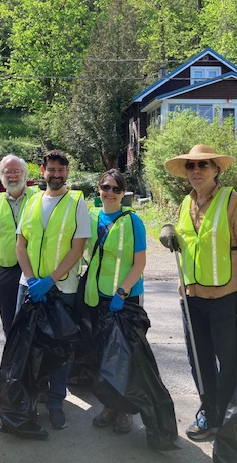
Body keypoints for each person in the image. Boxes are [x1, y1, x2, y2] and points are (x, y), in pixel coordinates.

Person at [159, 144, 237, 441]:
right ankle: (208, 411)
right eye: (191, 166)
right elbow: (184, 236)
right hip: (190, 299)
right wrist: (168, 229)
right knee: (199, 361)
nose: (196, 171)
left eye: (203, 165)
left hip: (225, 299)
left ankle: (225, 415)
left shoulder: (233, 201)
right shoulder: (185, 203)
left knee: (227, 361)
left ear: (216, 170)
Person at [15, 149, 91, 430]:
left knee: (60, 348)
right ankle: (30, 398)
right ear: (43, 171)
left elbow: (77, 247)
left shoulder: (76, 202)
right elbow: (20, 244)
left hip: (62, 289)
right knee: (29, 347)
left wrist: (50, 280)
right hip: (29, 287)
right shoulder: (32, 201)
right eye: (51, 170)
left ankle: (57, 401)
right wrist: (32, 279)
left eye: (61, 170)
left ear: (67, 171)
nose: (56, 175)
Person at [83, 169, 146, 434]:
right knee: (104, 354)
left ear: (124, 194)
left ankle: (125, 411)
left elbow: (140, 262)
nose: (109, 193)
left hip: (125, 297)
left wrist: (122, 293)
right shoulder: (91, 216)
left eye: (116, 189)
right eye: (105, 187)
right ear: (98, 189)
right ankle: (109, 405)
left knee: (125, 355)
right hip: (98, 297)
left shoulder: (133, 221)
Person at [0, 154, 39, 336]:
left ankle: (34, 364)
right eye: (8, 172)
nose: (12, 176)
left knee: (36, 326)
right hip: (5, 273)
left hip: (35, 271)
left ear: (25, 174)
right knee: (11, 326)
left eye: (17, 171)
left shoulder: (39, 199)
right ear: (1, 176)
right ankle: (13, 363)